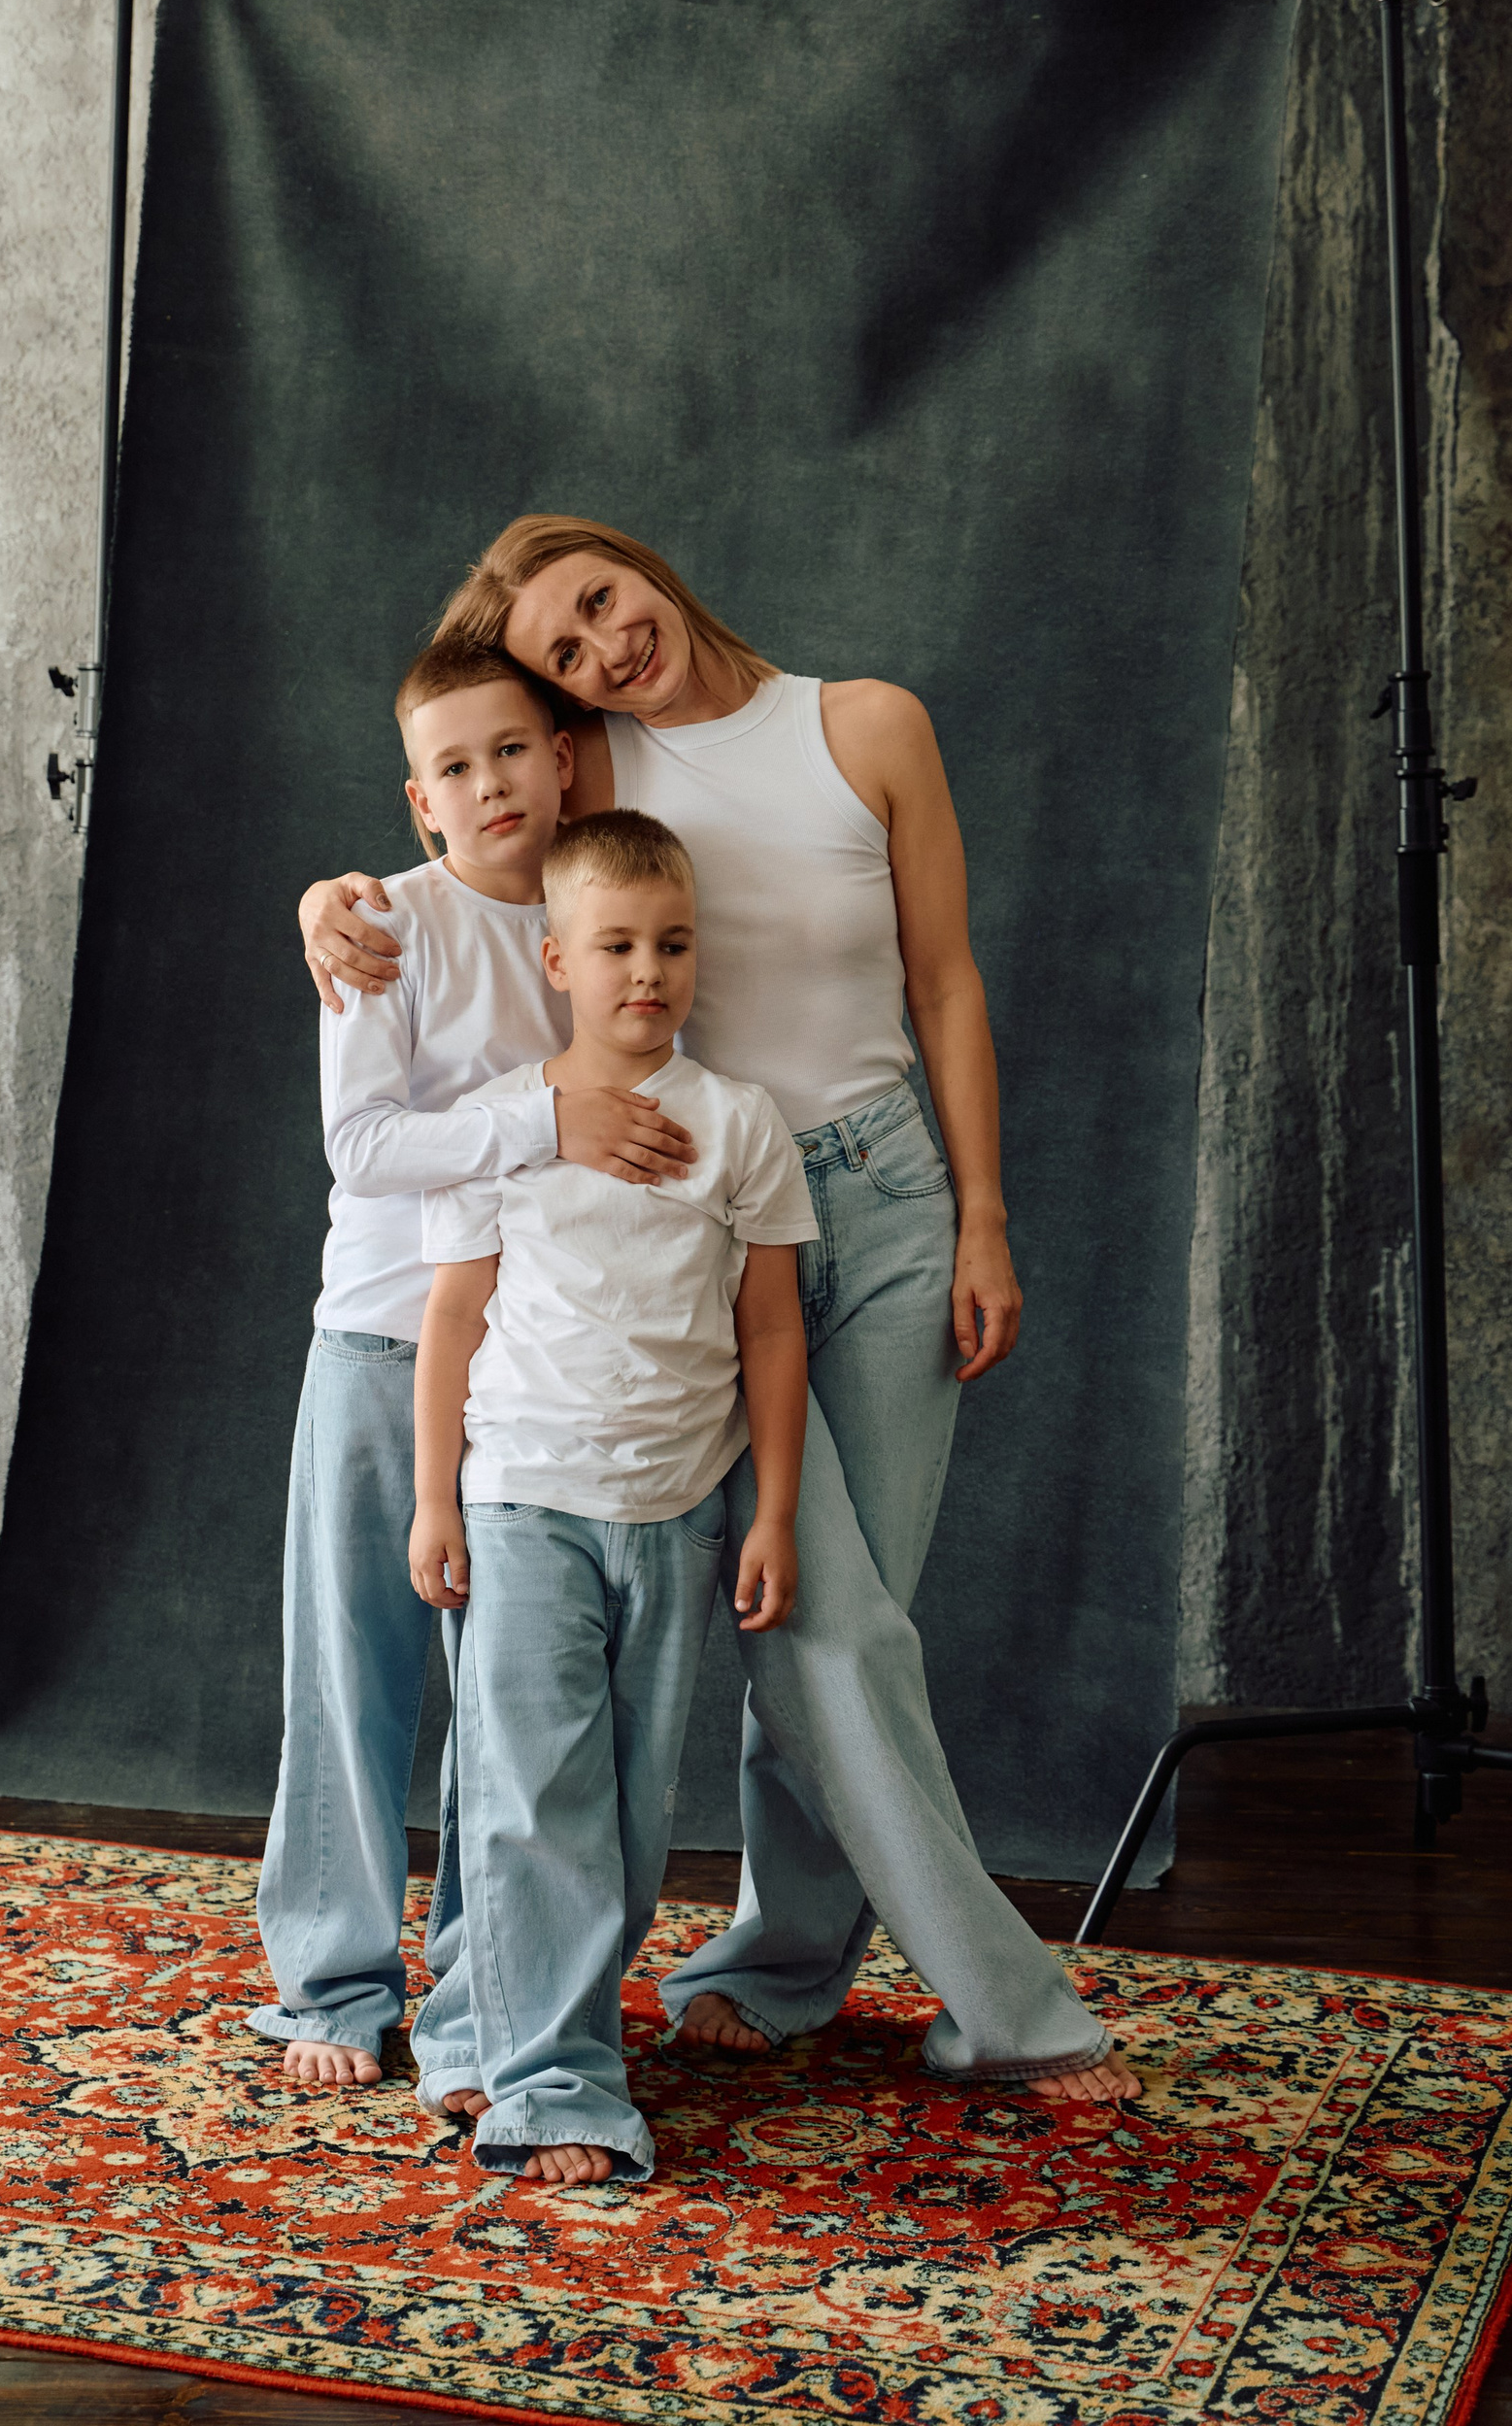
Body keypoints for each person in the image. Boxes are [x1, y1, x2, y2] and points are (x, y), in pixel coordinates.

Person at [299, 516, 1138, 2103]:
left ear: (645, 567)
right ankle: (1008, 2006)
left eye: (603, 602)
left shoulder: (868, 725)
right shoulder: (598, 771)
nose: (607, 649)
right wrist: (328, 903)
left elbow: (947, 980)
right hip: (695, 1212)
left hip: (884, 1197)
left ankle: (782, 1959)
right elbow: (469, 841)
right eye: (567, 655)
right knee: (815, 1622)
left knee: (844, 1614)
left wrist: (982, 1214)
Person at [252, 635, 697, 2090]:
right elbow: (364, 1143)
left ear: (562, 759)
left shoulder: (597, 918)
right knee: (353, 1673)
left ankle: (480, 2000)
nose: (490, 782)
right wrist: (545, 1124)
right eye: (454, 766)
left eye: (511, 749)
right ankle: (332, 1984)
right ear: (419, 799)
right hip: (384, 1336)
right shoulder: (384, 925)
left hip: (536, 1373)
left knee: (506, 1715)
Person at [406, 809, 815, 2183]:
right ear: (558, 959)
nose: (648, 970)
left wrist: (770, 1510)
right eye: (618, 945)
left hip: (676, 1512)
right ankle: (558, 2086)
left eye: (673, 944)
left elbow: (771, 1330)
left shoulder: (738, 1124)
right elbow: (451, 1322)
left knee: (631, 1814)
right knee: (532, 1797)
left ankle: (471, 2024)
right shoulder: (502, 1128)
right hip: (523, 1500)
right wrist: (436, 1502)